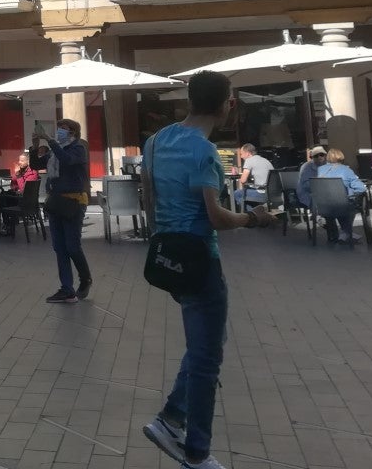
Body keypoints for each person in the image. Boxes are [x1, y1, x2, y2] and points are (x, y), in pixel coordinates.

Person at [140, 70, 277, 469]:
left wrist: (160, 233)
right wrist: (254, 219)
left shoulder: (155, 141)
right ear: (226, 105)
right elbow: (216, 216)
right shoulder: (205, 153)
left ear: (189, 99)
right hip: (200, 258)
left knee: (205, 347)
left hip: (168, 256)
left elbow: (149, 197)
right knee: (206, 357)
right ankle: (195, 448)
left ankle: (171, 419)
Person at [32, 119, 92, 304]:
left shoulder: (78, 149)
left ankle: (85, 278)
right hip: (56, 201)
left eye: (63, 129)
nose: (59, 131)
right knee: (59, 247)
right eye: (58, 128)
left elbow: (67, 161)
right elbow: (36, 164)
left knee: (72, 246)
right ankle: (67, 288)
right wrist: (35, 146)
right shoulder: (54, 151)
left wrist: (50, 140)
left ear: (73, 132)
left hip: (74, 201)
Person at [315, 148, 367, 244]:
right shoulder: (346, 170)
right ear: (341, 157)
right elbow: (360, 188)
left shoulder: (320, 170)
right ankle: (346, 233)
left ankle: (340, 234)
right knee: (351, 205)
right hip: (342, 206)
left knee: (339, 203)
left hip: (324, 206)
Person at [0, 151, 39, 235]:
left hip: (26, 201)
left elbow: (25, 190)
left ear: (28, 162)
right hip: (17, 198)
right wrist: (15, 187)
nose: (20, 162)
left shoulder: (32, 173)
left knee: (3, 198)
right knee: (3, 198)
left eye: (22, 161)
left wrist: (18, 177)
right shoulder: (20, 172)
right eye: (19, 160)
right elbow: (13, 185)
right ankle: (7, 224)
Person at [232, 144, 274, 210]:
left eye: (242, 154)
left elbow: (243, 180)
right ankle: (257, 212)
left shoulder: (249, 160)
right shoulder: (265, 160)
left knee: (237, 193)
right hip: (273, 193)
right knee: (249, 191)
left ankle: (254, 214)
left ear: (248, 153)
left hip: (262, 193)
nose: (241, 156)